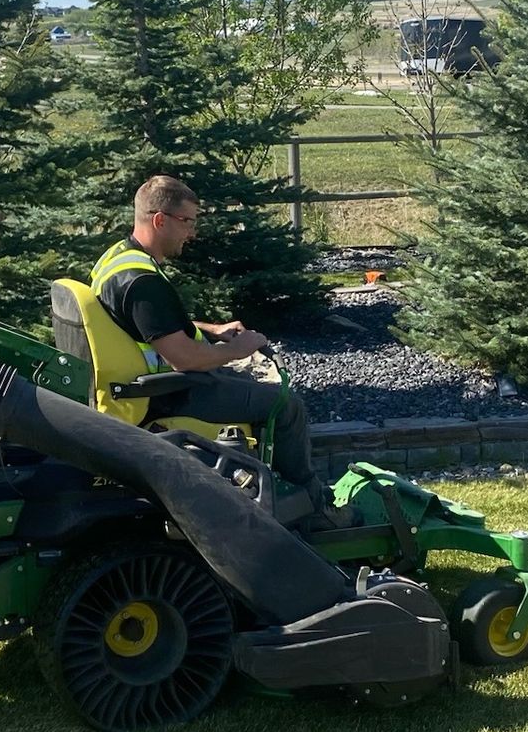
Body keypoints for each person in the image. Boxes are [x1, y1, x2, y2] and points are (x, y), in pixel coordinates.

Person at [90, 175, 342, 519]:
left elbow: (150, 327)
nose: (192, 232)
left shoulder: (119, 259)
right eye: (187, 222)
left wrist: (214, 330)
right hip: (167, 394)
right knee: (285, 404)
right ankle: (312, 508)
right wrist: (242, 348)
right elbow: (183, 357)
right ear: (160, 219)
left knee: (255, 390)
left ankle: (280, 492)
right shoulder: (143, 282)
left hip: (153, 386)